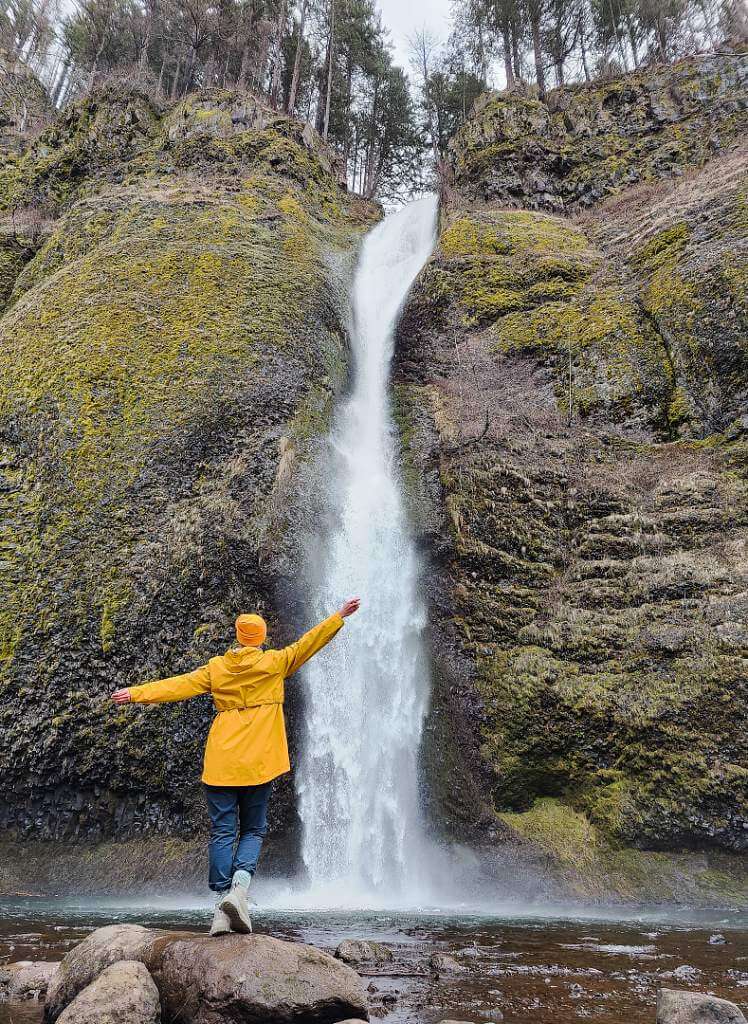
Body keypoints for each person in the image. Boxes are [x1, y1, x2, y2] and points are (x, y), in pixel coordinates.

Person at [110, 597, 360, 935]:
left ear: (238, 636)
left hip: (222, 762)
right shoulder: (275, 662)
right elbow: (309, 643)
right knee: (254, 828)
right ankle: (239, 891)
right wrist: (338, 616)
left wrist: (136, 693)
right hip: (259, 762)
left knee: (223, 831)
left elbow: (178, 685)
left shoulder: (217, 668)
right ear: (261, 637)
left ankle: (220, 903)